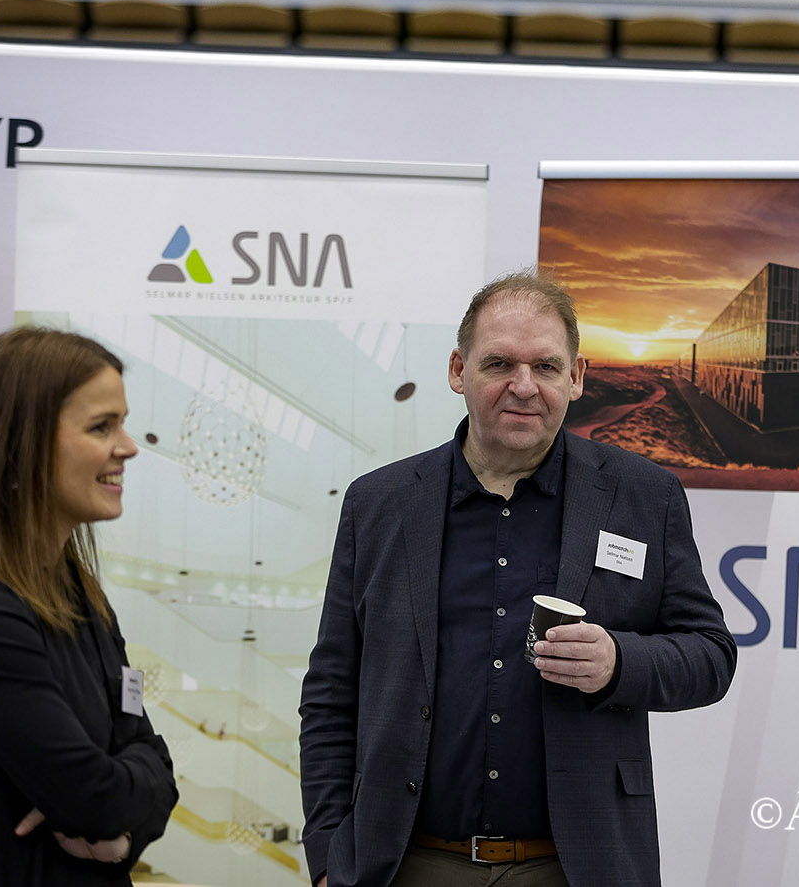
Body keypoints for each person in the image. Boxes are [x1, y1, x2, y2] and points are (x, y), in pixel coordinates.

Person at [299, 271, 737, 887]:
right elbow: (331, 690)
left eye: (546, 367)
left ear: (576, 377)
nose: (524, 387)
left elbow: (711, 656)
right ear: (459, 370)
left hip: (577, 866)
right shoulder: (379, 504)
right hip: (405, 863)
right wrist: (327, 856)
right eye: (500, 363)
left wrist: (618, 662)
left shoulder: (644, 496)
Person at [0, 327, 178, 886]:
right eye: (102, 426)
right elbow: (93, 795)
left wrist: (122, 831)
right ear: (20, 442)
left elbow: (155, 765)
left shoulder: (83, 599)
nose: (128, 447)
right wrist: (112, 797)